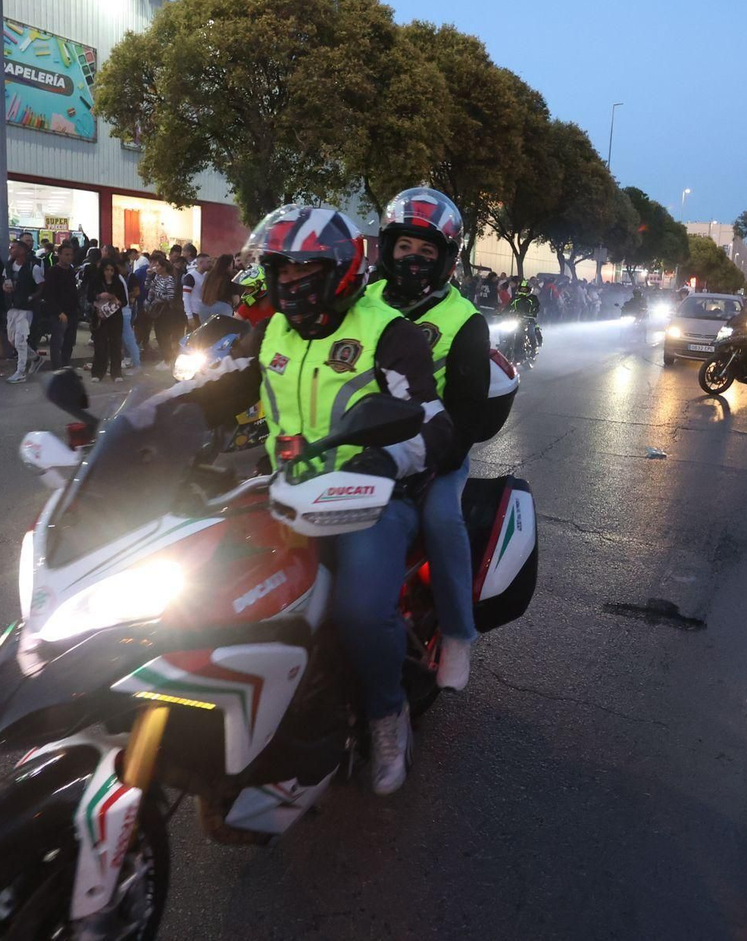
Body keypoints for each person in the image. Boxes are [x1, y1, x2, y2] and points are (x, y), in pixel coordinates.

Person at [137, 205, 456, 795]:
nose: (287, 284)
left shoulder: (389, 332)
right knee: (203, 586)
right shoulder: (273, 330)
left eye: (300, 272)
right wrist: (149, 419)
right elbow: (221, 384)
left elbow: (432, 424)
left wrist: (381, 457)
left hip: (368, 498)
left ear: (338, 272)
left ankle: (388, 715)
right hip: (281, 491)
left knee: (361, 611)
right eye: (279, 272)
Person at [366, 186, 492, 691]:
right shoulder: (364, 300)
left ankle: (459, 634)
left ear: (446, 259)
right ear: (387, 248)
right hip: (364, 445)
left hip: (438, 452)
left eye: (426, 251)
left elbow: (466, 416)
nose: (413, 259)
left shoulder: (465, 321)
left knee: (442, 519)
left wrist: (431, 459)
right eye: (404, 247)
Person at [3, 239, 44, 383]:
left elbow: (41, 286)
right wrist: (5, 288)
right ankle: (35, 358)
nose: (11, 250)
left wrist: (31, 297)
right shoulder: (8, 266)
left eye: (13, 247)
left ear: (23, 250)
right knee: (12, 338)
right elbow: (5, 280)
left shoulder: (33, 267)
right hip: (12, 307)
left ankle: (20, 372)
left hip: (26, 309)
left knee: (20, 339)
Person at [85, 257, 127, 382]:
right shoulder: (96, 281)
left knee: (115, 344)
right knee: (100, 345)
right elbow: (89, 297)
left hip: (115, 317)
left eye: (111, 270)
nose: (109, 273)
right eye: (106, 270)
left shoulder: (118, 283)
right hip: (100, 317)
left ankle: (116, 372)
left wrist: (117, 301)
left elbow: (124, 301)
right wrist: (99, 296)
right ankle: (98, 372)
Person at [43, 243, 81, 370]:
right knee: (57, 342)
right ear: (59, 255)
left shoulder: (71, 271)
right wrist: (59, 312)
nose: (69, 257)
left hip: (72, 312)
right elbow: (49, 294)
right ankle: (57, 369)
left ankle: (65, 366)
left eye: (71, 255)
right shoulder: (53, 271)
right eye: (66, 255)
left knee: (69, 342)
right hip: (59, 313)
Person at [199, 253, 235, 320]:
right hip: (223, 308)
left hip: (204, 307)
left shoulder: (209, 275)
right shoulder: (230, 277)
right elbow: (236, 299)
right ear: (229, 265)